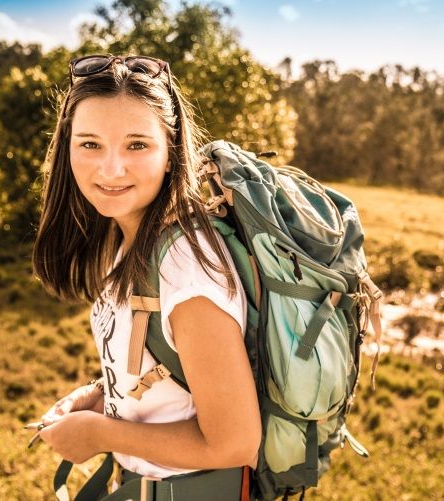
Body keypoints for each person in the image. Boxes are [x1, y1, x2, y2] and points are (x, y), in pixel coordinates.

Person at [30, 54, 260, 498]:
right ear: (66, 147)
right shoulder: (134, 240)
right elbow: (173, 376)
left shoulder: (186, 270)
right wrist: (99, 395)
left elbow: (235, 442)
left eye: (137, 145)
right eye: (90, 144)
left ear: (172, 153)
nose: (111, 169)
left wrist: (100, 434)